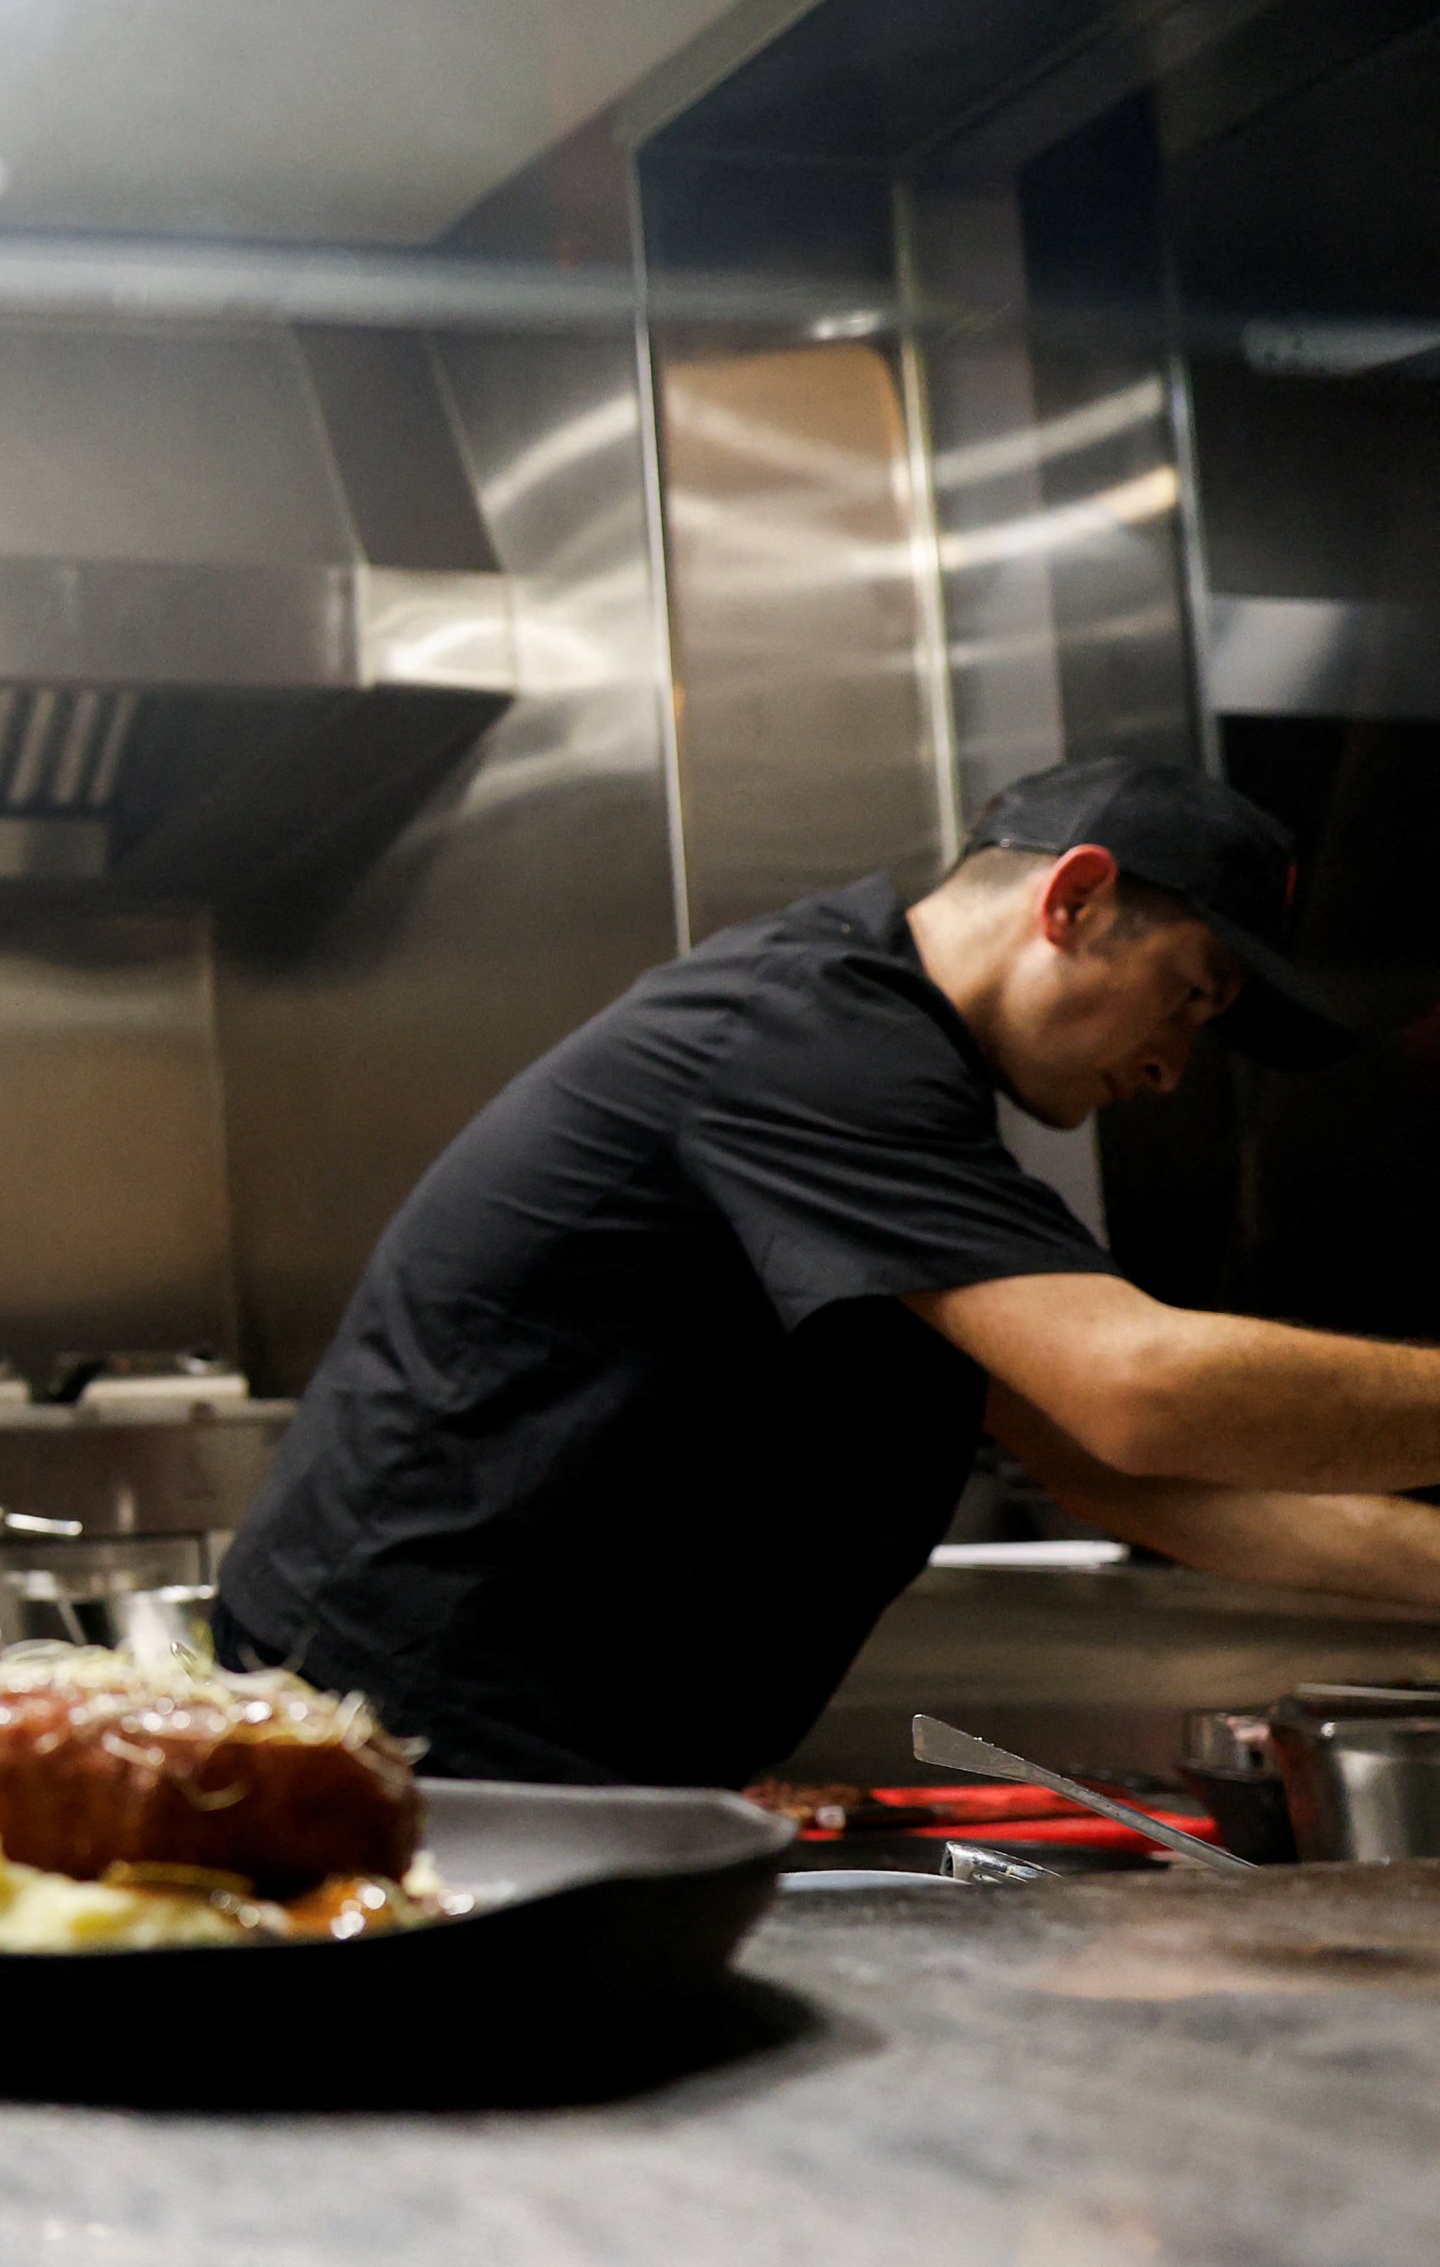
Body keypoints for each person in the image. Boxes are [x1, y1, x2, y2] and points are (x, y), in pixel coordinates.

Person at [218, 754, 1440, 1787]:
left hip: (532, 1741)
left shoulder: (894, 1086)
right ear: (1073, 898)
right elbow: (1140, 1386)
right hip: (418, 1748)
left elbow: (1106, 1462)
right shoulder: (810, 1040)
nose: (1177, 1064)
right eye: (1185, 997)